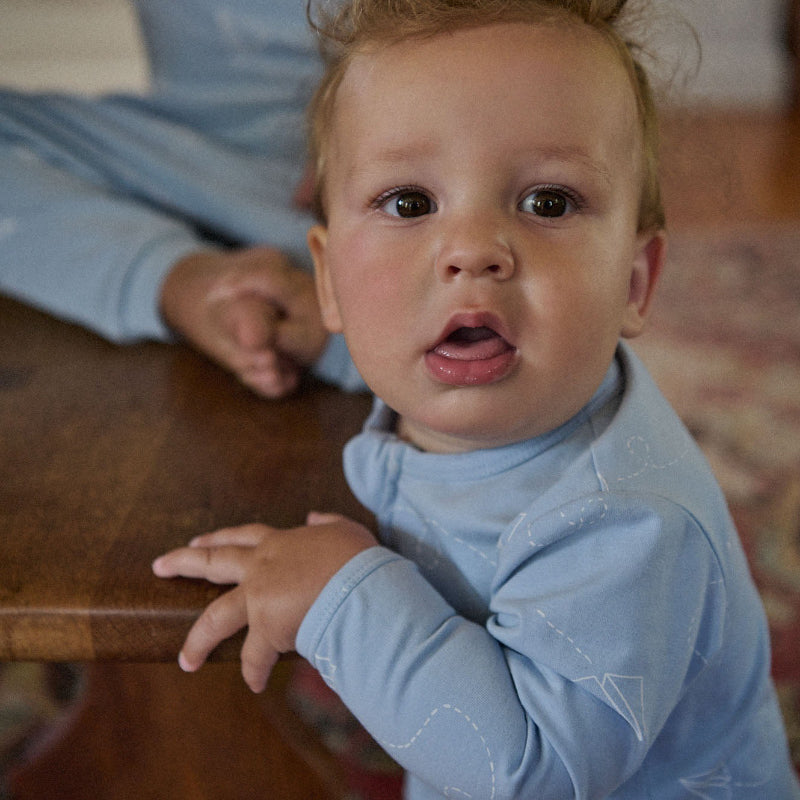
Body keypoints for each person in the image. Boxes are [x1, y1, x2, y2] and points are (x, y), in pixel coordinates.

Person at [152, 0, 800, 797]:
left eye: (547, 203)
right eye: (409, 204)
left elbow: (535, 774)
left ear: (634, 282)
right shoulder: (489, 393)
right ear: (329, 281)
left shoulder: (625, 523)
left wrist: (340, 592)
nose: (470, 251)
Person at [0, 0, 363, 396]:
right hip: (187, 155)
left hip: (367, 144)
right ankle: (194, 282)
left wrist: (361, 111)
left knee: (399, 214)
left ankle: (343, 332)